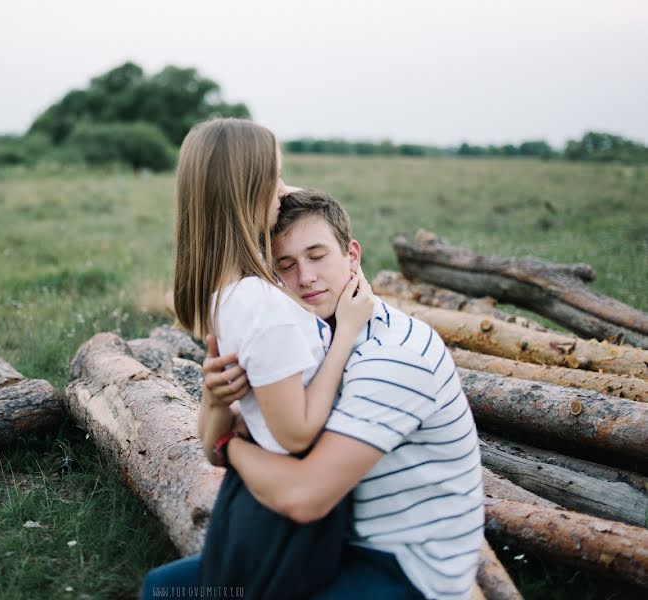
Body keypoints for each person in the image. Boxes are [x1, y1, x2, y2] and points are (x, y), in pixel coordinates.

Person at [145, 189, 484, 599]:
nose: (305, 277)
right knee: (164, 588)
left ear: (352, 256)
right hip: (328, 542)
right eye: (285, 266)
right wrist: (216, 400)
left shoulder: (394, 356)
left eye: (318, 255)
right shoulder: (306, 336)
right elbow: (216, 445)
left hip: (405, 568)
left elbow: (302, 497)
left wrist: (228, 445)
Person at [162, 118, 377, 599]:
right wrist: (345, 336)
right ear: (249, 191)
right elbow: (295, 431)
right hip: (284, 515)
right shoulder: (266, 308)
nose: (285, 190)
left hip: (258, 495)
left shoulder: (229, 292)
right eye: (275, 178)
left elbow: (281, 205)